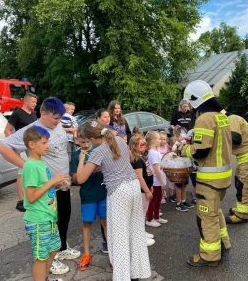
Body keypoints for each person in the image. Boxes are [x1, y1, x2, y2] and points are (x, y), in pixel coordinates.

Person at [0, 97, 80, 275]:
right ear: (43, 114)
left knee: (64, 216)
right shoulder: (32, 131)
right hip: (47, 188)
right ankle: (52, 258)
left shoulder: (57, 124)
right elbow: (3, 147)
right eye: (55, 118)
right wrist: (26, 166)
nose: (58, 122)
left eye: (60, 118)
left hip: (62, 182)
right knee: (50, 223)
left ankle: (62, 247)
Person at [76, 120, 151, 281]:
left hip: (118, 191)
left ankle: (123, 277)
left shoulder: (98, 152)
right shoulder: (118, 140)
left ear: (90, 138)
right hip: (133, 186)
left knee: (119, 236)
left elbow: (81, 179)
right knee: (135, 230)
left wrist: (82, 159)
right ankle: (136, 272)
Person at [177, 80, 232, 267]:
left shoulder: (204, 119)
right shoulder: (221, 117)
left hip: (209, 180)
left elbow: (201, 151)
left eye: (190, 104)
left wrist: (182, 149)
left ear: (194, 100)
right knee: (216, 212)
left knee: (206, 217)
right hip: (223, 177)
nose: (190, 108)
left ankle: (209, 256)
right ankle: (224, 243)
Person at [21, 125, 69, 281]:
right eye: (44, 143)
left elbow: (43, 187)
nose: (48, 146)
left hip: (49, 217)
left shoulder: (41, 162)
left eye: (47, 142)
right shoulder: (30, 166)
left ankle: (45, 278)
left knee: (54, 248)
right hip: (38, 219)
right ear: (31, 144)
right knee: (41, 257)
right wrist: (52, 181)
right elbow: (31, 197)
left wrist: (57, 185)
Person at [70, 130, 107, 271]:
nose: (85, 145)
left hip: (103, 193)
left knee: (106, 222)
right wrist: (81, 161)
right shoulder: (76, 155)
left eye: (87, 142)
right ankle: (86, 253)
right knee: (87, 223)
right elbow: (75, 179)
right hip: (87, 195)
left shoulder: (99, 150)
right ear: (77, 140)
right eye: (82, 142)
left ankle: (113, 254)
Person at [4, 92, 38, 212]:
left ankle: (33, 196)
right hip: (21, 146)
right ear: (26, 101)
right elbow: (7, 130)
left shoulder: (33, 115)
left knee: (33, 169)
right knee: (22, 171)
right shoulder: (18, 113)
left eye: (36, 102)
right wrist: (13, 147)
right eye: (33, 102)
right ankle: (21, 201)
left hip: (32, 146)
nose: (35, 104)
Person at [129, 134, 155, 246]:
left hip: (145, 190)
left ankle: (141, 232)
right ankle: (139, 238)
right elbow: (139, 177)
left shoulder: (141, 158)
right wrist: (147, 191)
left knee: (142, 213)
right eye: (141, 144)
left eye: (145, 144)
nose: (144, 146)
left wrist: (150, 186)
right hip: (141, 191)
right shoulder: (137, 160)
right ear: (134, 146)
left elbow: (147, 174)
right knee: (140, 214)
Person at [145, 131, 168, 227]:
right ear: (154, 141)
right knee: (153, 200)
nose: (161, 141)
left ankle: (156, 216)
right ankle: (150, 219)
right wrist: (162, 182)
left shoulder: (154, 152)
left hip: (158, 181)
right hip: (156, 181)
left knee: (158, 200)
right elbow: (156, 170)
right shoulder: (154, 153)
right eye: (159, 139)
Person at [171, 127, 194, 212]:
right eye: (182, 134)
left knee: (184, 185)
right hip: (178, 169)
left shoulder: (185, 143)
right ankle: (178, 203)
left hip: (185, 168)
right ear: (177, 136)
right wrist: (178, 144)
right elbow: (173, 152)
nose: (184, 136)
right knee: (179, 186)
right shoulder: (176, 144)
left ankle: (183, 201)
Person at [157, 131, 170, 204]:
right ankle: (160, 196)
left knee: (163, 183)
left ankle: (162, 193)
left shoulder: (167, 147)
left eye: (164, 139)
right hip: (158, 168)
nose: (163, 141)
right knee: (158, 182)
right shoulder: (157, 147)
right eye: (161, 139)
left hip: (164, 168)